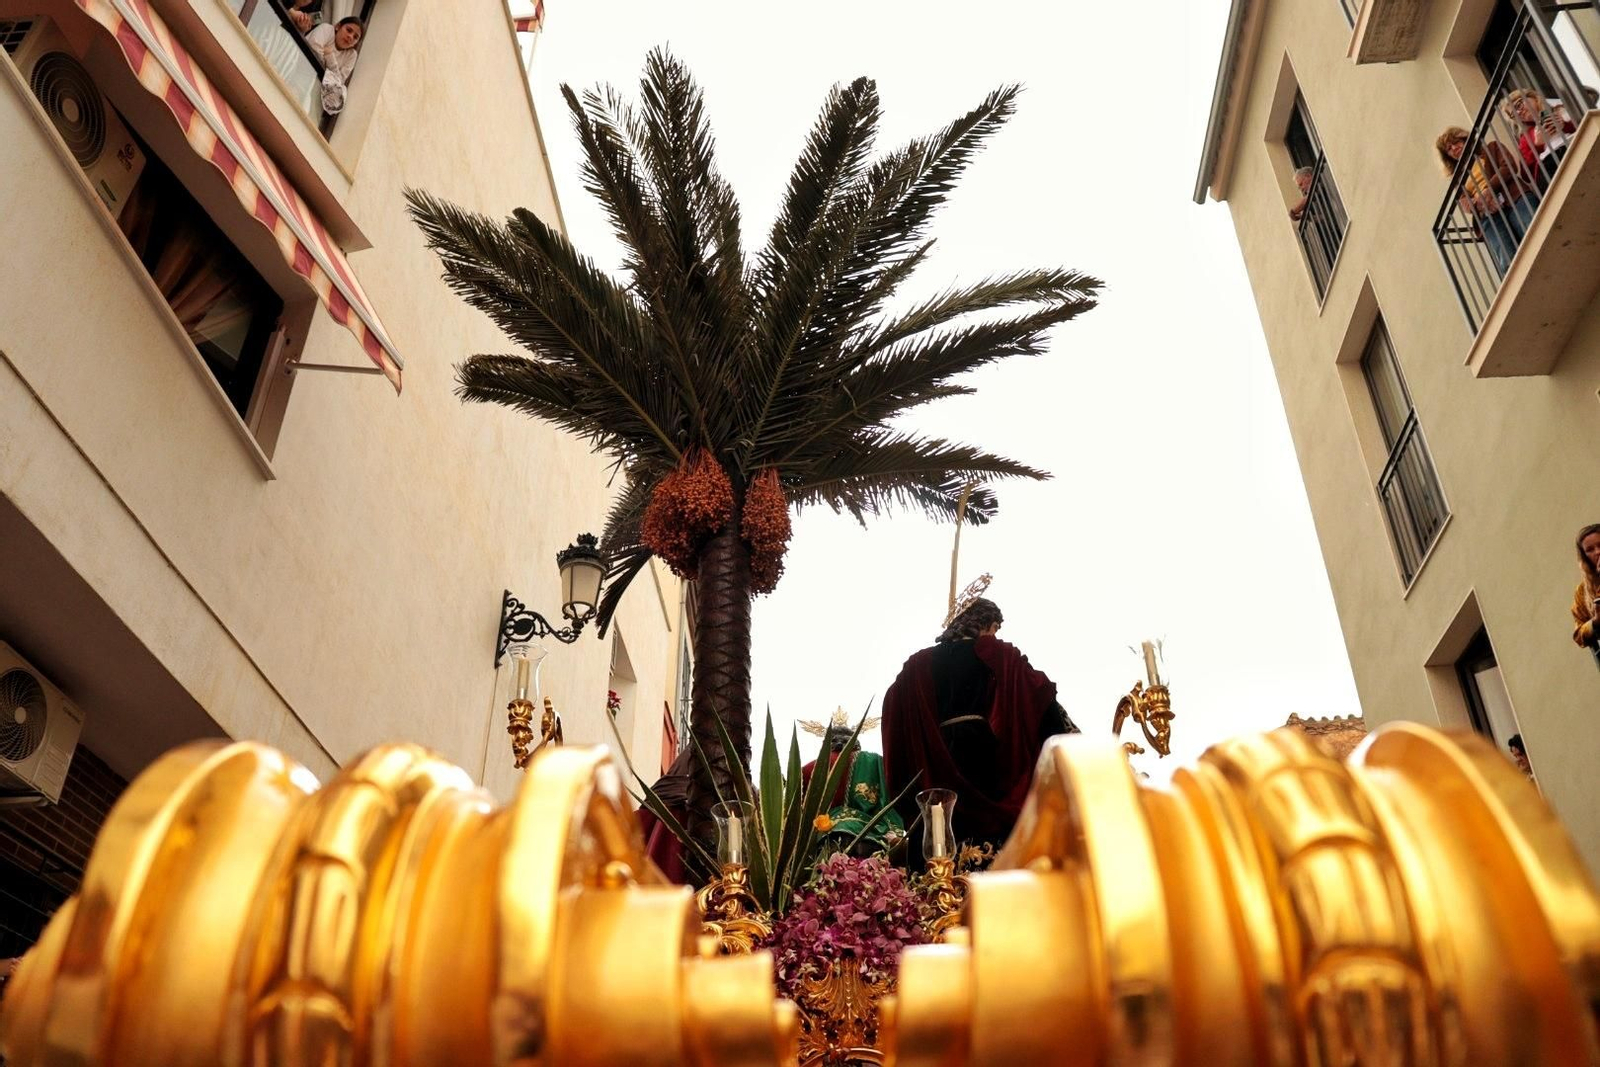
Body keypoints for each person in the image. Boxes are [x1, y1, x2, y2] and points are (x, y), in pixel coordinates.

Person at [882, 598, 1077, 860]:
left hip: (933, 760)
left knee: (938, 832)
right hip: (985, 760)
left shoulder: (918, 664)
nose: (995, 635)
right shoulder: (999, 654)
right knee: (993, 836)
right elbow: (1036, 695)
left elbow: (895, 710)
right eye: (995, 627)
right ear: (985, 623)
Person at [1436, 126, 1539, 276]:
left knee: (1534, 229)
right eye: (1449, 149)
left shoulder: (1491, 148)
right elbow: (1466, 205)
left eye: (1455, 142)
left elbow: (1509, 167)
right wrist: (1482, 203)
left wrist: (1488, 191)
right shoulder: (1458, 180)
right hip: (1488, 215)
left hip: (1513, 195)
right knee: (1508, 261)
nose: (1454, 148)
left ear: (1465, 139)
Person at [801, 714, 904, 856]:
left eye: (845, 741)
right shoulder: (815, 769)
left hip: (863, 827)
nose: (839, 744)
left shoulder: (872, 762)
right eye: (834, 741)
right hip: (828, 831)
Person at [1503, 88, 1575, 191]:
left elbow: (1586, 124)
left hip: (1573, 146)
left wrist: (1565, 125)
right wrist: (1538, 146)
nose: (1519, 112)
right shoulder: (1525, 138)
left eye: (1518, 105)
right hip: (1551, 168)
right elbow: (1526, 175)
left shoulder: (1560, 109)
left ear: (1533, 97)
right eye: (1514, 114)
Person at [304, 17, 364, 116]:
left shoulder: (351, 55)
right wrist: (330, 74)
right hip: (300, 70)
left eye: (355, 37)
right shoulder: (327, 29)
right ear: (338, 26)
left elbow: (338, 83)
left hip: (315, 93)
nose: (350, 37)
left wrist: (329, 56)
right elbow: (313, 51)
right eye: (348, 30)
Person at [1571, 523, 1600, 669]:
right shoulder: (1582, 592)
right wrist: (1594, 622)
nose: (1597, 552)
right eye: (1590, 549)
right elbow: (1578, 635)